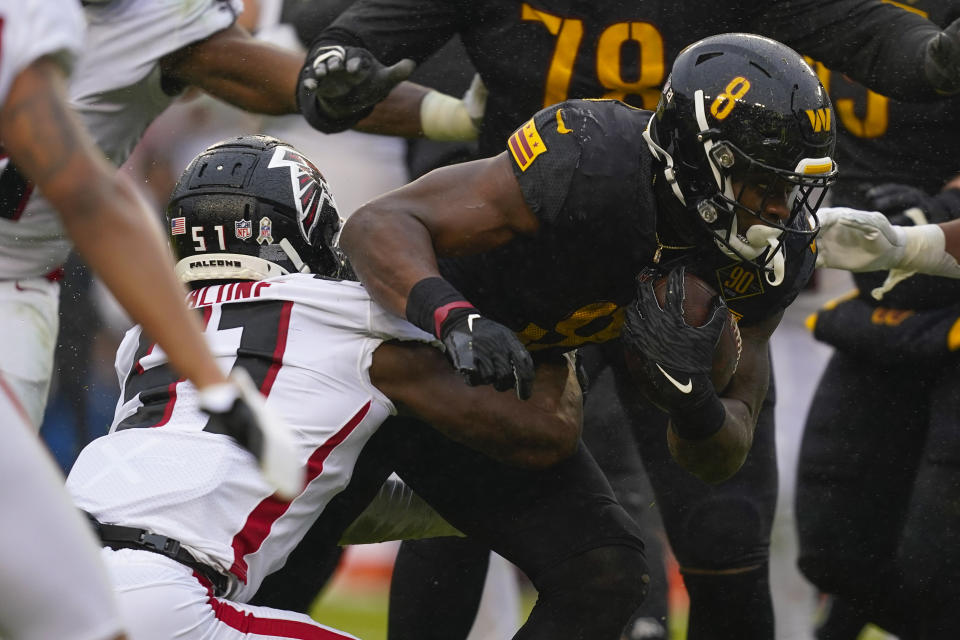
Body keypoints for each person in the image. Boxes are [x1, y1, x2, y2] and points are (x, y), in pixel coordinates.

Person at [293, 3, 960, 639]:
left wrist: (693, 403)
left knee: (691, 543)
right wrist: (455, 317)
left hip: (570, 331)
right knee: (397, 525)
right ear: (708, 160)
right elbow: (378, 221)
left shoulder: (770, 246)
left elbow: (725, 446)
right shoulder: (588, 159)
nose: (783, 209)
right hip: (458, 334)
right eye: (767, 184)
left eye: (795, 185)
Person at [65, 133, 585, 640]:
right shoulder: (346, 311)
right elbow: (545, 430)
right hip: (164, 596)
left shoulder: (144, 340)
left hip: (57, 574)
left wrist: (451, 515)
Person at [794, 2, 960, 637]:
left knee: (936, 566)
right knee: (838, 548)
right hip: (880, 303)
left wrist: (935, 215)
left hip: (941, 286)